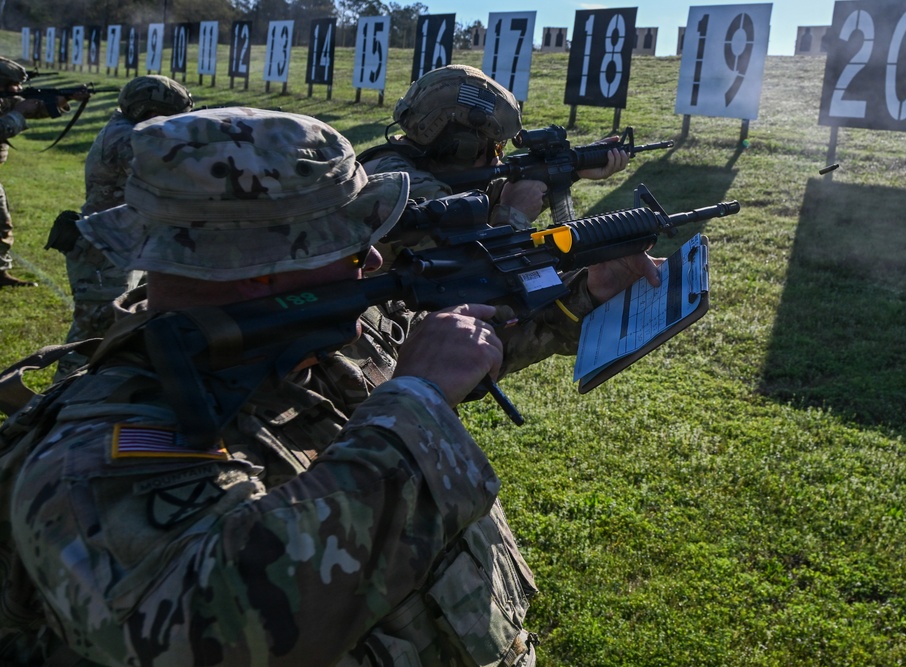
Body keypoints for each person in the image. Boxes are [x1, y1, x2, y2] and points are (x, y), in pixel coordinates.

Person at [0, 107, 660, 666]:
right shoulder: (92, 457)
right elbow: (216, 625)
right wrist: (417, 401)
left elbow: (461, 344)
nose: (371, 255)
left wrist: (579, 298)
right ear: (258, 268)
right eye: (344, 239)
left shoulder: (323, 324)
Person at [359, 65, 629, 265]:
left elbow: (481, 200)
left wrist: (573, 169)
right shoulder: (407, 187)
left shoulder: (412, 164)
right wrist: (514, 213)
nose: (498, 159)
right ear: (460, 148)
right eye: (496, 147)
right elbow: (473, 274)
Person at [48, 74, 194, 380]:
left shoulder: (131, 128)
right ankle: (56, 400)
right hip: (104, 252)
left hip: (124, 244)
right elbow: (175, 175)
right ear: (148, 112)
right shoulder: (127, 138)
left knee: (127, 327)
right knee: (91, 339)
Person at [0, 56, 87, 288]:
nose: (17, 90)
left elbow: (31, 108)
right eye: (12, 85)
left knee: (1, 222)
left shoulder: (5, 100)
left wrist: (65, 98)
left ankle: (0, 272)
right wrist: (18, 113)